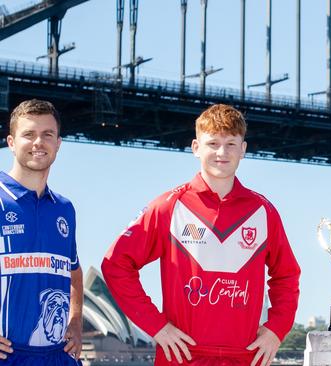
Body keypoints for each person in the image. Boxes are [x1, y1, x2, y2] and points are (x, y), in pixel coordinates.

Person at [101, 104, 301, 366]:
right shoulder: (169, 206)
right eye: (213, 143)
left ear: (243, 149)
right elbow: (116, 264)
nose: (222, 152)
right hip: (182, 357)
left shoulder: (263, 211)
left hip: (245, 357)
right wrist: (157, 326)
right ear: (196, 148)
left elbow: (287, 275)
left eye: (231, 143)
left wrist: (276, 330)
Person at [0, 99, 83, 365]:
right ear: (11, 143)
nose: (39, 142)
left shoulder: (64, 209)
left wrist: (77, 318)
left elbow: (74, 270)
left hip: (57, 356)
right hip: (9, 354)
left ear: (58, 143)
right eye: (29, 134)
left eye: (47, 134)